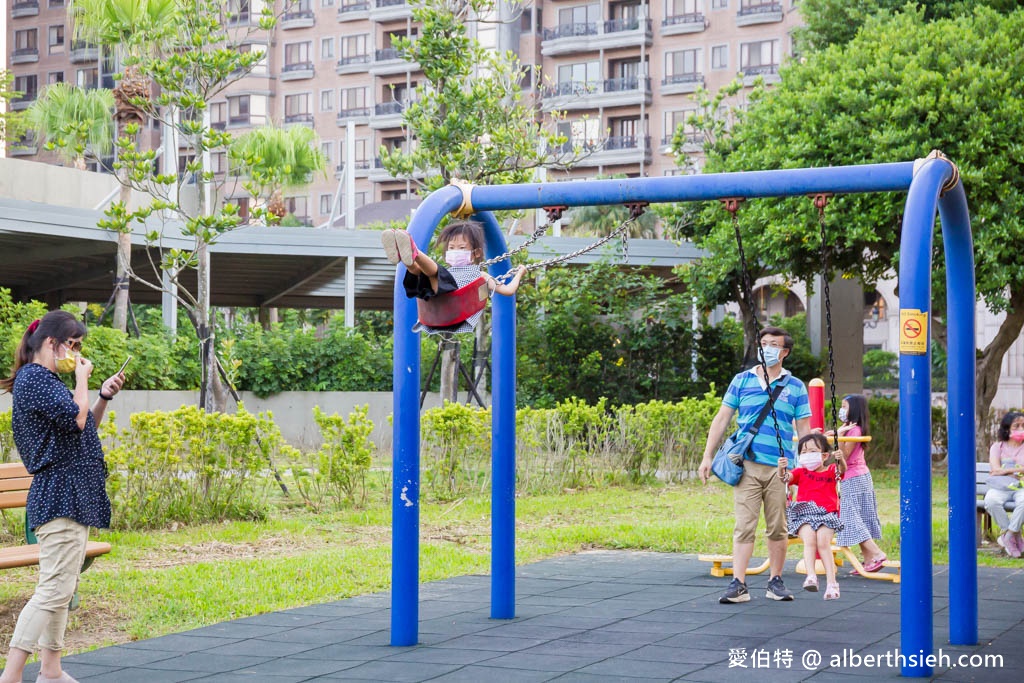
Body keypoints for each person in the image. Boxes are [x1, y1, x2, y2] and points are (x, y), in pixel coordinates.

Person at [0, 311, 125, 683]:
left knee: (62, 585)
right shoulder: (36, 379)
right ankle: (11, 675)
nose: (77, 353)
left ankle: (51, 671)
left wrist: (101, 395)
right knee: (54, 588)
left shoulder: (46, 381)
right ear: (51, 344)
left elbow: (83, 427)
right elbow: (77, 419)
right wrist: (83, 380)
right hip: (60, 495)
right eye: (72, 345)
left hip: (71, 494)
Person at [699, 326, 811, 604]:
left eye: (774, 344)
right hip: (746, 465)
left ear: (785, 352)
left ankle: (775, 581)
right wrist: (707, 455)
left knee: (777, 527)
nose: (767, 348)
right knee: (744, 525)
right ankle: (739, 584)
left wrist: (808, 465)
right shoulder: (742, 380)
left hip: (780, 467)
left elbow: (805, 428)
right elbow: (722, 418)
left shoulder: (795, 386)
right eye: (763, 343)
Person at [381, 221, 527, 335]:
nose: (455, 251)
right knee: (420, 273)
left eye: (462, 248)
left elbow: (508, 290)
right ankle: (405, 257)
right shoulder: (448, 271)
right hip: (432, 305)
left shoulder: (480, 276)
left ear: (476, 253)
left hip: (453, 304)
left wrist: (519, 273)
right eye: (451, 247)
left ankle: (414, 252)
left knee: (435, 273)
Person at [779, 432, 846, 600]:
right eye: (804, 452)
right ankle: (811, 577)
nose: (807, 455)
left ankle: (832, 583)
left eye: (812, 451)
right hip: (805, 514)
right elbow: (785, 478)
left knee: (823, 543)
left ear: (824, 455)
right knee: (809, 539)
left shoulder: (831, 470)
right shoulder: (801, 472)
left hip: (826, 513)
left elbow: (841, 471)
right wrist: (782, 468)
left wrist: (841, 459)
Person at [831, 394, 888, 572]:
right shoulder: (850, 428)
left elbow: (844, 457)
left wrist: (838, 437)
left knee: (850, 517)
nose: (842, 410)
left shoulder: (854, 431)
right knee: (859, 516)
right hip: (861, 475)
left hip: (853, 476)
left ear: (854, 409)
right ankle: (869, 558)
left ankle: (876, 553)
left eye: (845, 406)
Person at [983, 411, 1024, 558]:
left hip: (1021, 487)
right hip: (1001, 486)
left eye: (1023, 425)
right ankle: (1014, 535)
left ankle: (1007, 536)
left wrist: (1005, 470)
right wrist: (1017, 469)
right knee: (991, 501)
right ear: (1007, 429)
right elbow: (995, 469)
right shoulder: (997, 447)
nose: (1021, 429)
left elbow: (1000, 470)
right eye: (1016, 426)